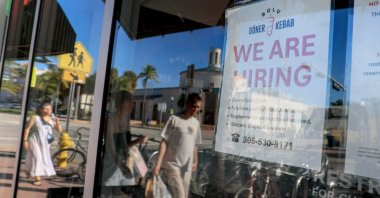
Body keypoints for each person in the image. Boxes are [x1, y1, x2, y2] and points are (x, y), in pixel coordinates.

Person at [153, 93, 202, 198]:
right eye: (194, 106)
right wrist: (158, 164)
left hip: (187, 168)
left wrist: (195, 160)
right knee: (180, 196)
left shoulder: (196, 123)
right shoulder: (174, 119)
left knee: (181, 194)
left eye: (198, 107)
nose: (196, 109)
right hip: (172, 165)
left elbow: (195, 144)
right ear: (188, 104)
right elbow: (164, 142)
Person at [102, 91, 148, 195]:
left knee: (128, 193)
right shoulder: (110, 121)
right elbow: (110, 148)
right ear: (124, 103)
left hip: (126, 166)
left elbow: (125, 145)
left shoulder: (126, 119)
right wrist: (123, 167)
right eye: (131, 102)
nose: (133, 105)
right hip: (112, 168)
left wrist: (138, 140)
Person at [23, 101, 62, 186]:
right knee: (38, 158)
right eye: (46, 108)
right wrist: (25, 141)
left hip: (46, 144)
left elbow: (59, 130)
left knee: (34, 158)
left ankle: (28, 170)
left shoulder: (52, 120)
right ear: (41, 110)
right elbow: (27, 129)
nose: (48, 110)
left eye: (50, 108)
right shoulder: (35, 118)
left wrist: (57, 122)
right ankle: (37, 178)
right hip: (35, 141)